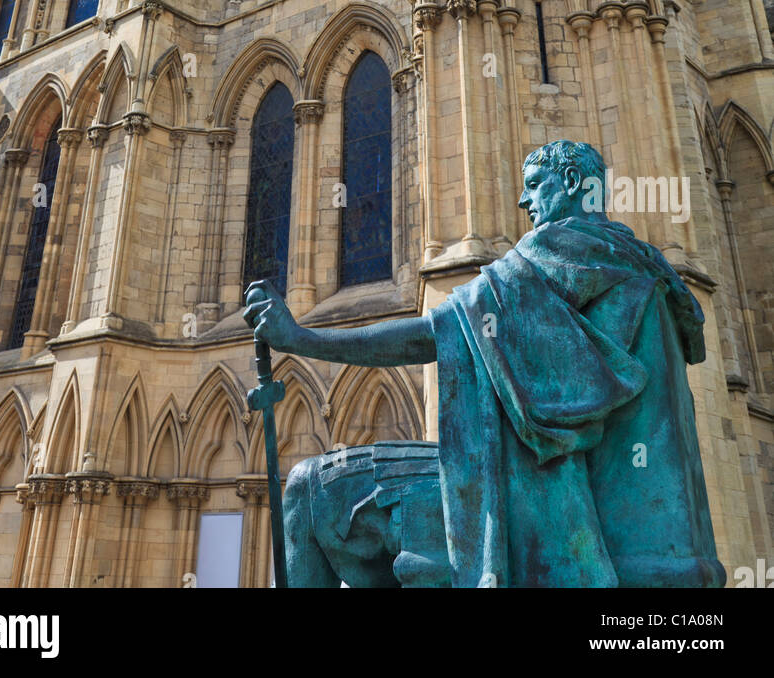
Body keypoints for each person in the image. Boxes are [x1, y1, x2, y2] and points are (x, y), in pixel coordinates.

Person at [243, 140, 725, 589]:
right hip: (657, 545)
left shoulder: (561, 251)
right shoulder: (648, 266)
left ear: (575, 183)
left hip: (546, 504)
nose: (522, 200)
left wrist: (300, 338)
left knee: (309, 487)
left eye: (536, 184)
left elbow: (429, 335)